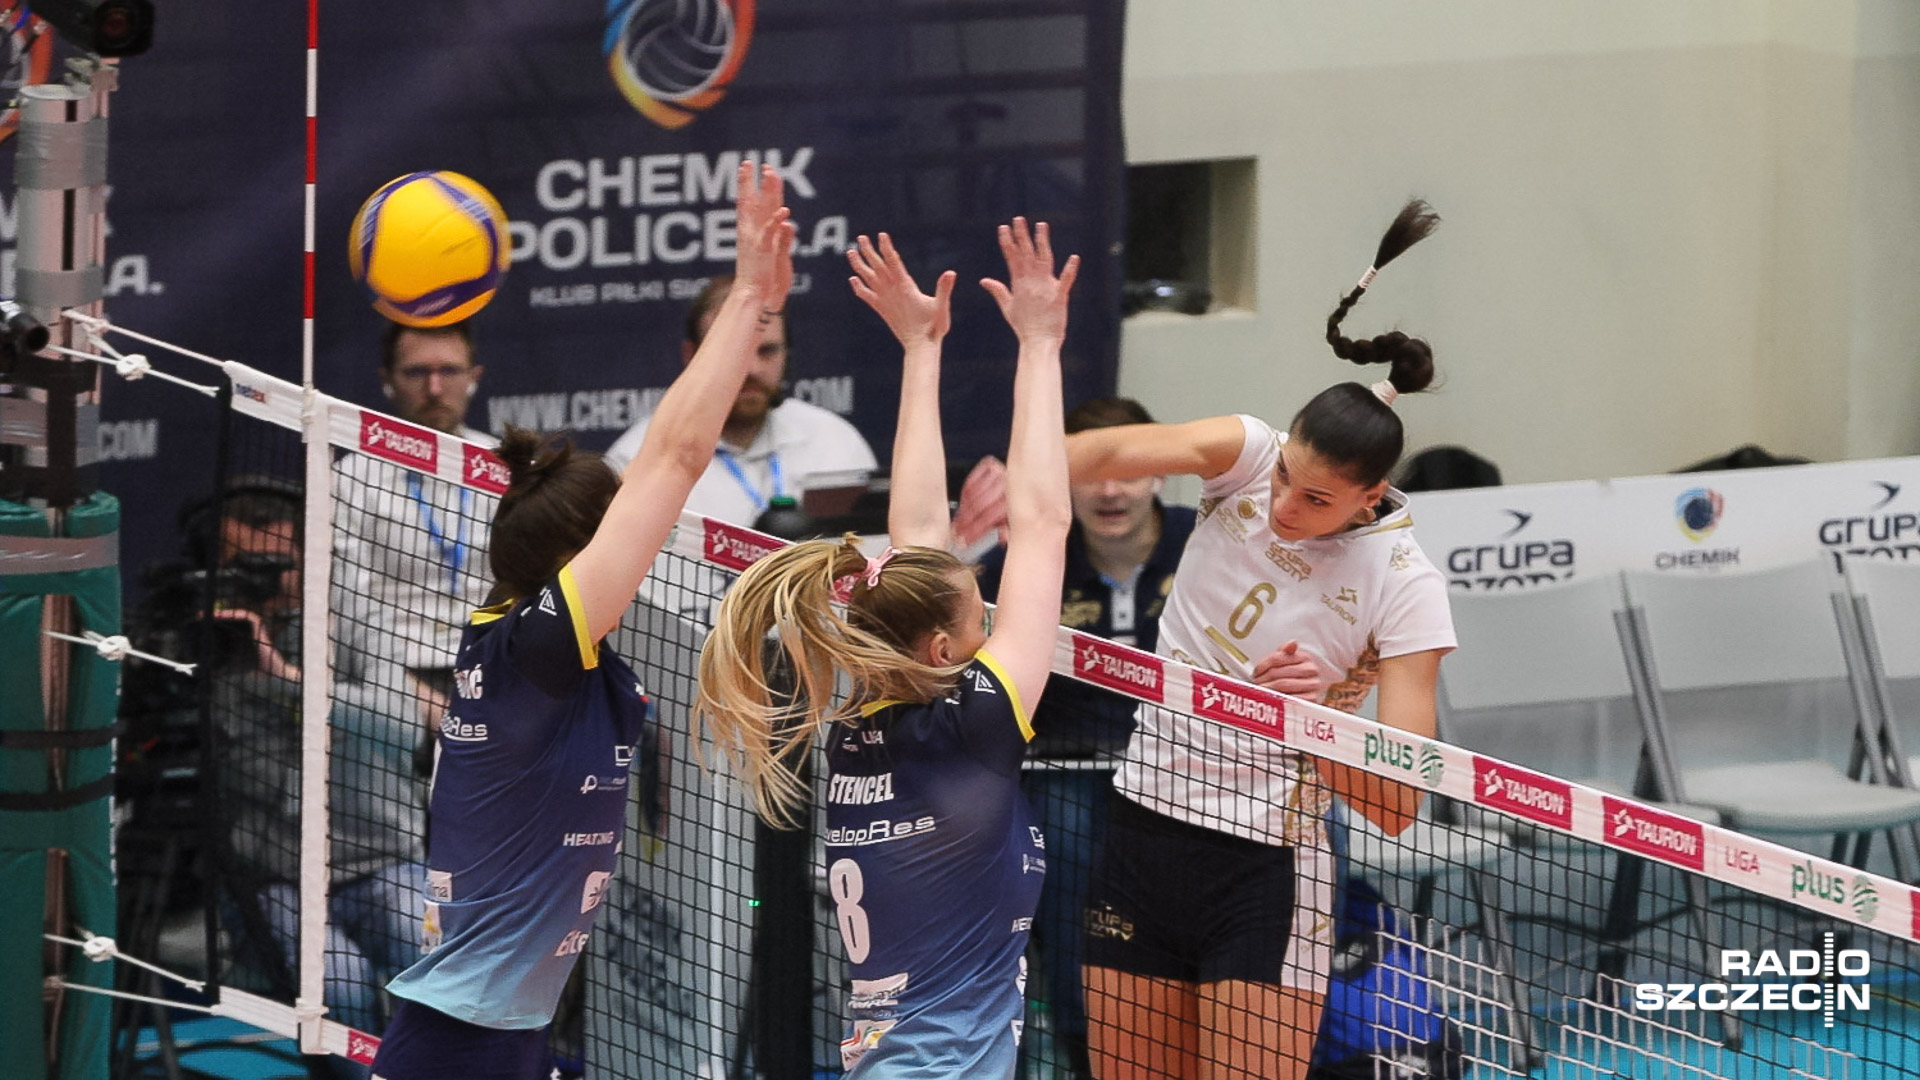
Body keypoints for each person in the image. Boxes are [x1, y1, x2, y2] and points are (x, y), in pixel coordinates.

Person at [367, 162, 797, 1080]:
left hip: (504, 1022)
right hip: (465, 1037)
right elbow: (674, 456)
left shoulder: (517, 631)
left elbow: (654, 475)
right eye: (618, 538)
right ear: (577, 560)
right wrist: (748, 300)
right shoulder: (538, 649)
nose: (640, 548)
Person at [1074, 201, 1457, 1080]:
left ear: (1371, 496)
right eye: (1286, 476)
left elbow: (1400, 805)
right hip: (1141, 826)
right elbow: (1101, 454)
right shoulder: (1246, 456)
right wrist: (1001, 479)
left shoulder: (1406, 585)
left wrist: (1315, 717)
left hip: (1267, 870)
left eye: (1316, 500)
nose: (1283, 507)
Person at [696, 220, 1077, 1077]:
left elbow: (913, 544)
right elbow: (1043, 523)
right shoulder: (975, 723)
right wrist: (1039, 344)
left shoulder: (858, 717)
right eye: (982, 621)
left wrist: (921, 348)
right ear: (941, 651)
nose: (995, 630)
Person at [973, 396, 1197, 1080]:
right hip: (1066, 771)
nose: (1110, 491)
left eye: (1126, 471)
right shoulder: (1029, 556)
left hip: (1194, 769)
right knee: (1066, 851)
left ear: (1159, 473)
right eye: (1092, 473)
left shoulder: (1206, 545)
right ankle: (1087, 1048)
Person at [176, 477, 427, 1080]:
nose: (267, 581)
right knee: (339, 983)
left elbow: (403, 723)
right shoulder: (209, 641)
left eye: (279, 564)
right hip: (273, 878)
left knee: (432, 957)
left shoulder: (356, 616)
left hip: (382, 860)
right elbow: (254, 775)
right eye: (246, 566)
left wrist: (289, 681)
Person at [603, 275, 878, 526]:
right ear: (691, 355)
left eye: (768, 351)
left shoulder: (835, 442)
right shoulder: (636, 461)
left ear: (786, 353)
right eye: (735, 353)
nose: (752, 369)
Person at [333, 320, 497, 730]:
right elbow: (350, 610)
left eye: (449, 371)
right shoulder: (351, 478)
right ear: (387, 380)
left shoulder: (507, 468)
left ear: (474, 377)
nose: (435, 388)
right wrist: (421, 703)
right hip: (394, 677)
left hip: (499, 669)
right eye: (417, 372)